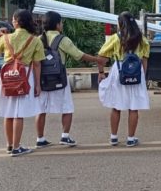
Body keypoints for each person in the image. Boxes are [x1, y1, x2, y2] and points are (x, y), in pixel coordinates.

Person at [35, 11, 100, 149]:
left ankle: (40, 138)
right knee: (67, 107)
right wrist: (97, 60)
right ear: (58, 24)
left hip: (42, 80)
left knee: (41, 109)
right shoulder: (62, 40)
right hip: (59, 79)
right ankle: (65, 136)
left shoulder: (38, 39)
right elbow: (79, 55)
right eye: (61, 22)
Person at [0, 9, 45, 157]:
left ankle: (9, 145)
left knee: (8, 113)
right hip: (24, 77)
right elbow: (37, 64)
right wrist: (38, 85)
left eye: (14, 19)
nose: (12, 21)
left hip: (7, 76)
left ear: (17, 22)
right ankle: (16, 147)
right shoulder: (35, 40)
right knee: (18, 113)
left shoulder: (6, 38)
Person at [96, 12, 150, 147]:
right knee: (134, 108)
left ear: (120, 24)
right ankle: (131, 139)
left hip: (119, 72)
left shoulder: (115, 38)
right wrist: (143, 77)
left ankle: (113, 137)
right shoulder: (142, 39)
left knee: (116, 106)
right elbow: (144, 61)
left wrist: (101, 72)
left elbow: (101, 57)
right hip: (136, 73)